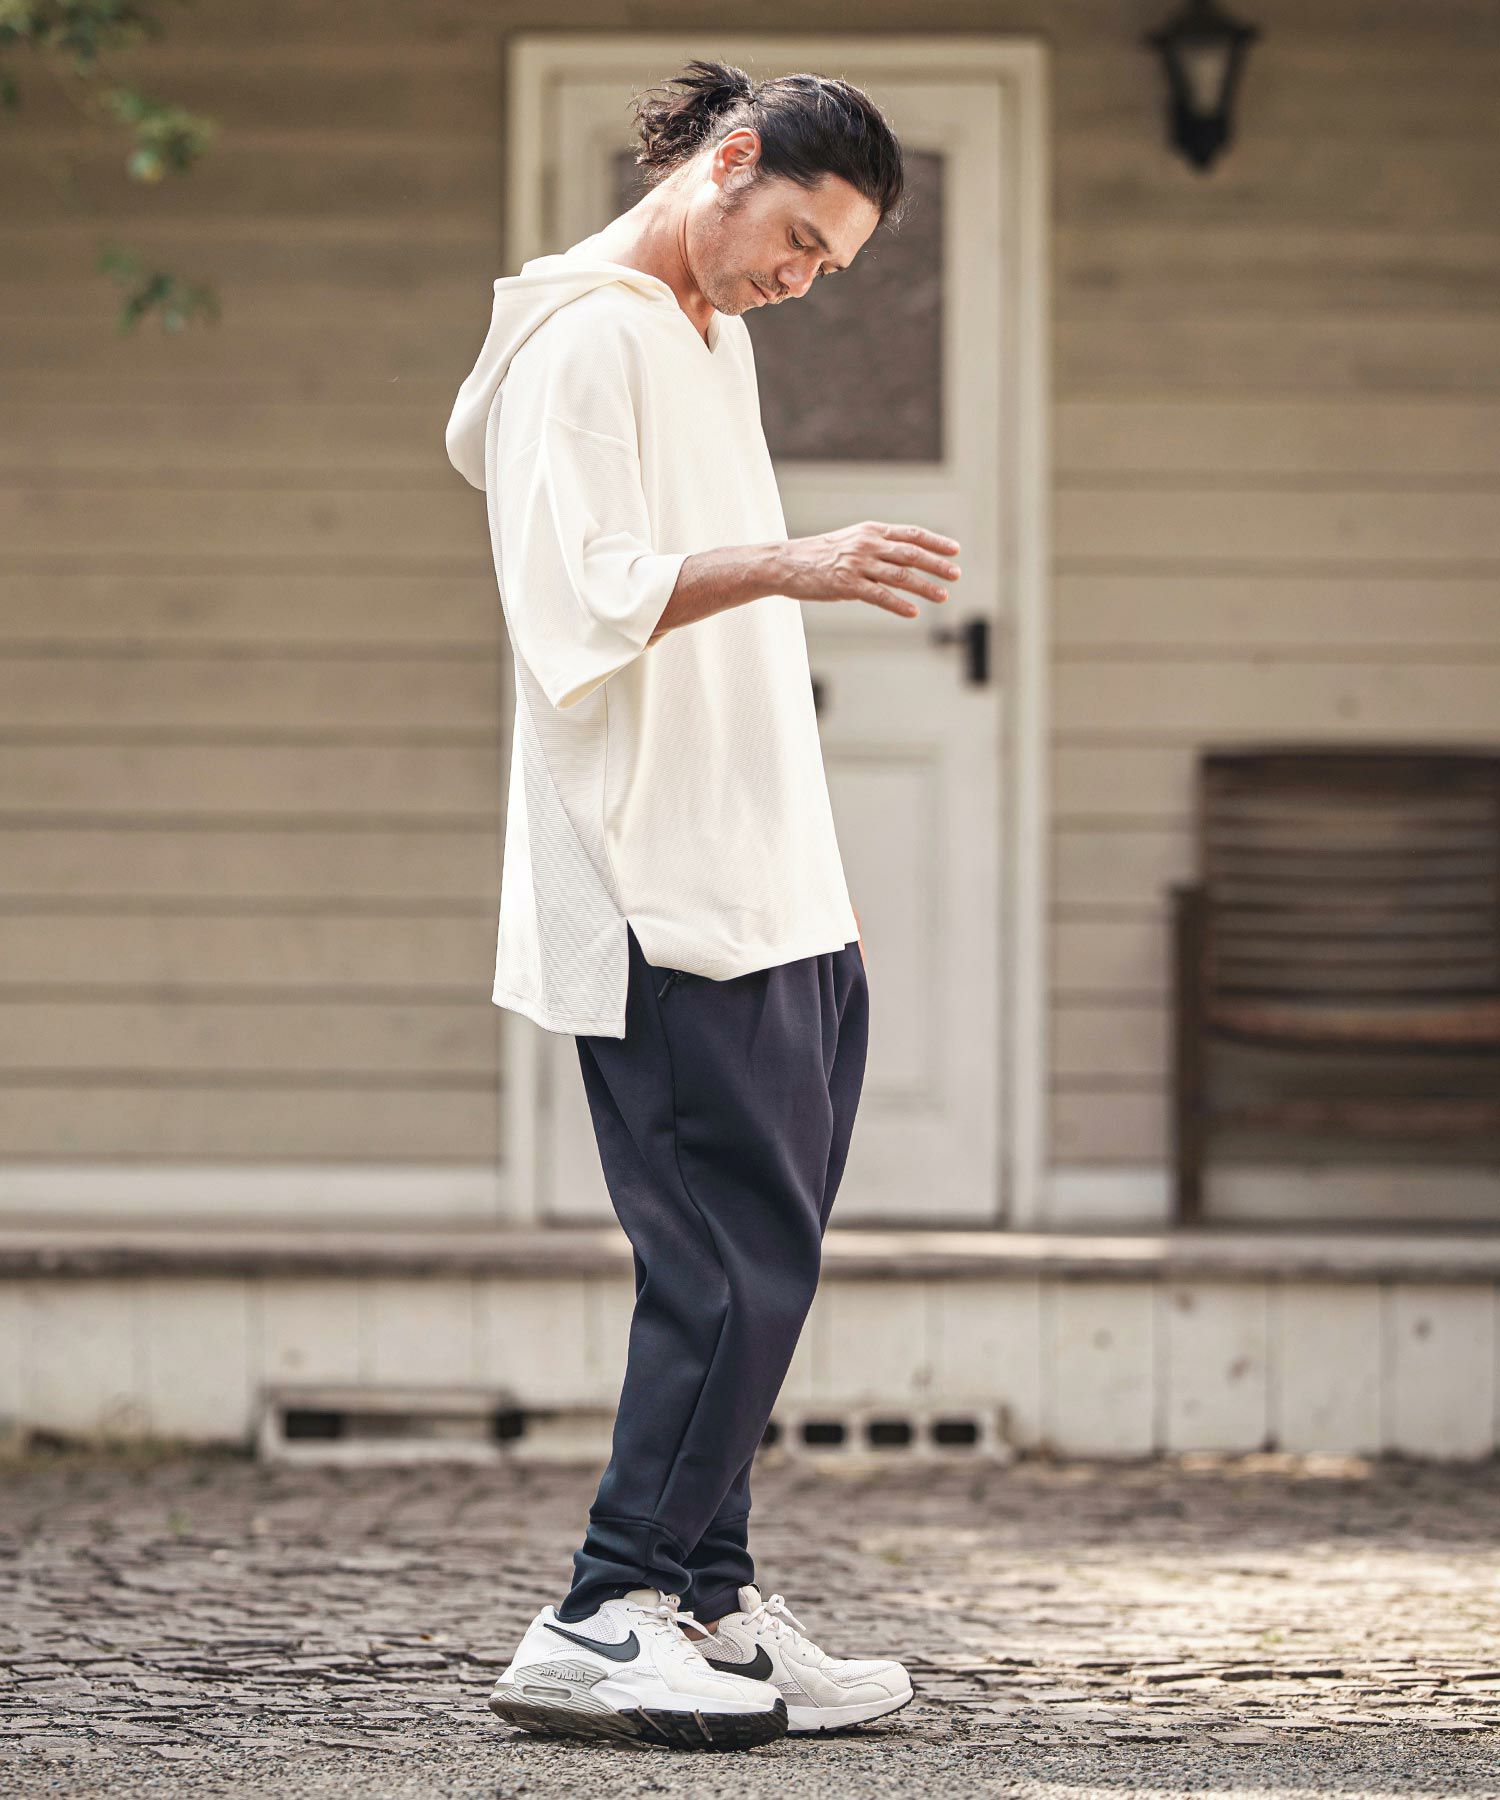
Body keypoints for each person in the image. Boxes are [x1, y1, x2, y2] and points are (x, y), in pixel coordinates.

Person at [445, 58, 961, 1752]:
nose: (802, 280)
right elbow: (575, 601)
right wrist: (802, 560)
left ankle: (711, 1605)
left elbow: (726, 656)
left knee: (771, 1263)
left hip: (767, 882)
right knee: (724, 1270)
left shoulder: (706, 334)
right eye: (800, 239)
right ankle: (603, 1614)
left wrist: (819, 890)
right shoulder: (580, 340)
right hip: (657, 882)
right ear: (730, 162)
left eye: (832, 265)